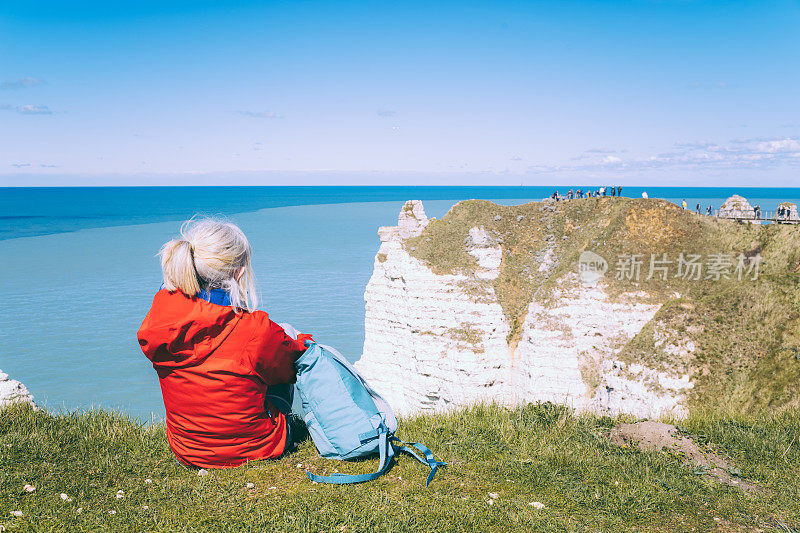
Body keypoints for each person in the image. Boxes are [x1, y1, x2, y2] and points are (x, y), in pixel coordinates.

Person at [137, 218, 313, 469]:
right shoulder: (254, 328)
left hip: (188, 451)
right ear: (239, 272)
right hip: (257, 447)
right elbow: (287, 369)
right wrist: (303, 342)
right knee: (284, 336)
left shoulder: (159, 321)